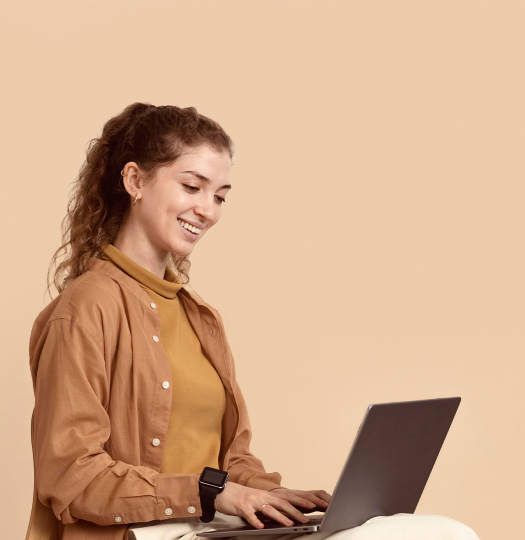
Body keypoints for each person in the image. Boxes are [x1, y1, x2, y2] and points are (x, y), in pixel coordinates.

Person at [25, 103, 480, 540]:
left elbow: (231, 461)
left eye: (219, 196)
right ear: (134, 180)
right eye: (192, 187)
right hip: (145, 533)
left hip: (211, 530)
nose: (208, 209)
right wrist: (213, 494)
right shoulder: (85, 308)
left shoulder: (199, 317)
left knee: (431, 532)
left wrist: (274, 496)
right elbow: (70, 474)